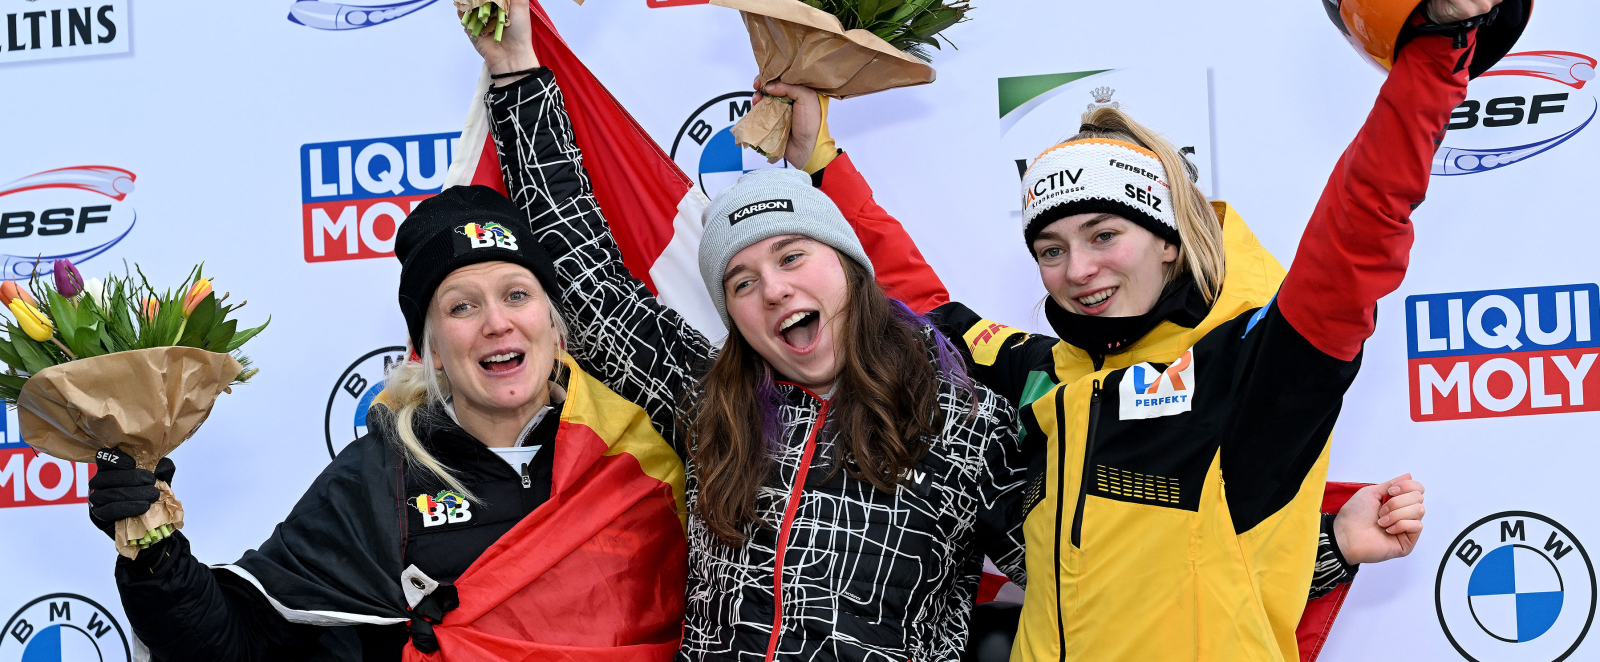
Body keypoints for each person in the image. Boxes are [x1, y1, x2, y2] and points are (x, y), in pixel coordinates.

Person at [733, 0, 1507, 658]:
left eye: (1105, 235)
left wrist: (1435, 49)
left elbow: (1364, 222)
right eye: (1051, 249)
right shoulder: (1045, 375)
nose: (1078, 269)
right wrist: (822, 160)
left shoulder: (1254, 370)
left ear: (1170, 239)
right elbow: (925, 307)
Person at [81, 26, 689, 661]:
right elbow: (237, 645)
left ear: (556, 323)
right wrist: (153, 551)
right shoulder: (385, 473)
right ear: (430, 346)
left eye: (516, 294)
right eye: (461, 306)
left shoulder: (643, 450)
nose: (496, 323)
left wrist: (517, 68)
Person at [476, 2, 1028, 659]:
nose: (773, 289)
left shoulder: (969, 425)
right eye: (741, 282)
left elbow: (1085, 581)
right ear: (733, 317)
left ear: (852, 270)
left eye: (793, 256)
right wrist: (514, 70)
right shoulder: (713, 409)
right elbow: (586, 278)